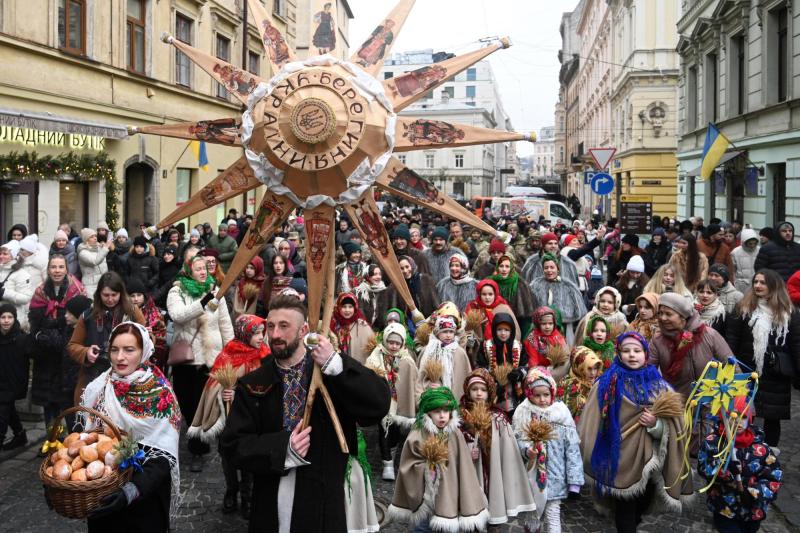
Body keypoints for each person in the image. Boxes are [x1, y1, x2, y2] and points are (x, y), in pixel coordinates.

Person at [220, 295, 390, 533]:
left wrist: (337, 365)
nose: (275, 334)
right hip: (275, 496)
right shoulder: (254, 384)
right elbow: (232, 446)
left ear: (304, 330)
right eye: (270, 326)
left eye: (284, 326)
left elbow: (377, 405)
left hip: (326, 494)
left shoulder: (331, 371)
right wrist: (282, 448)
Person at [578, 332, 692, 532]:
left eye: (637, 351)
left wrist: (655, 424)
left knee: (642, 502)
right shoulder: (607, 384)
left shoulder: (659, 386)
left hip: (648, 461)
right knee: (625, 507)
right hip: (619, 459)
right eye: (626, 351)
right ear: (619, 354)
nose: (632, 355)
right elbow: (593, 420)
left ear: (645, 354)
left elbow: (674, 426)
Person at [81, 322, 180, 533]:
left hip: (144, 501)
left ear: (143, 351)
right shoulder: (101, 386)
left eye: (129, 350)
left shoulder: (160, 393)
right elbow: (87, 439)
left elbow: (162, 456)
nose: (119, 357)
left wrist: (131, 491)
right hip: (104, 496)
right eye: (115, 349)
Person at [189, 314, 270, 518]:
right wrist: (223, 392)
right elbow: (213, 383)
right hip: (229, 418)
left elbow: (268, 384)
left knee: (250, 455)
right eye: (255, 333)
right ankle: (231, 490)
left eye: (262, 332)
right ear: (244, 333)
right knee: (229, 456)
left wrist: (240, 393)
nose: (261, 337)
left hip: (253, 417)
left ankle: (248, 496)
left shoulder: (266, 355)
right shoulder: (229, 354)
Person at [388, 386, 489, 532]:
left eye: (446, 411)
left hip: (449, 494)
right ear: (428, 412)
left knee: (445, 527)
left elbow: (462, 465)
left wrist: (468, 454)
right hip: (426, 498)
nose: (442, 416)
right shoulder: (418, 434)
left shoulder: (455, 434)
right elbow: (408, 464)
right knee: (423, 528)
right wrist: (428, 468)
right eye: (437, 411)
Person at [167, 255, 234, 473]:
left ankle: (199, 449)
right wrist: (203, 302)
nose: (203, 271)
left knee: (203, 406)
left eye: (205, 268)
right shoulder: (177, 292)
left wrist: (232, 353)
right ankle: (197, 437)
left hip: (210, 359)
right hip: (186, 359)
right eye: (197, 268)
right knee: (187, 404)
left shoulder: (217, 293)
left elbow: (225, 325)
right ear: (188, 271)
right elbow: (177, 315)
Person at [725, 269, 800, 447]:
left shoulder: (789, 313)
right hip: (746, 370)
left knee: (772, 418)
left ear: (774, 286)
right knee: (742, 414)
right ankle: (744, 453)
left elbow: (796, 343)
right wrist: (730, 366)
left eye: (763, 282)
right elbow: (732, 339)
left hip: (775, 373)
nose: (758, 285)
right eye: (756, 282)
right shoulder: (743, 308)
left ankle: (770, 456)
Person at [459, 369, 536, 529]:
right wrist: (468, 448)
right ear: (468, 391)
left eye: (483, 390)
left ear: (490, 392)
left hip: (492, 469)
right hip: (470, 469)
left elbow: (508, 450)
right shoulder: (461, 415)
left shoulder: (498, 418)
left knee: (493, 508)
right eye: (474, 389)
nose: (479, 393)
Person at [512, 367, 584, 533]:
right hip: (532, 478)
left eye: (546, 394)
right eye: (537, 395)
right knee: (532, 516)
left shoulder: (561, 415)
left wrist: (574, 483)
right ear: (529, 394)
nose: (542, 399)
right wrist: (527, 451)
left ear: (552, 393)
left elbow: (572, 450)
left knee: (553, 516)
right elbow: (519, 440)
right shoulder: (523, 414)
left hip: (555, 478)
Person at [697, 397, 783, 533]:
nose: (738, 422)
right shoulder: (714, 442)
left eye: (743, 417)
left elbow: (773, 476)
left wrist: (754, 493)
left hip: (753, 510)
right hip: (725, 508)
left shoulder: (761, 448)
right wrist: (722, 470)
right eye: (733, 417)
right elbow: (703, 467)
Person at [67, 271, 146, 404]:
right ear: (99, 294)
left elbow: (147, 342)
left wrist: (146, 336)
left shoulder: (132, 312)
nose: (110, 299)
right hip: (92, 376)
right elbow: (73, 345)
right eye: (106, 295)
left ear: (121, 294)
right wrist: (86, 352)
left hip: (127, 378)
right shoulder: (87, 315)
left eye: (114, 295)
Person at [28, 255, 86, 426]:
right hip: (46, 355)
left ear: (67, 269)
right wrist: (41, 334)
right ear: (48, 269)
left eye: (61, 267)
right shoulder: (40, 291)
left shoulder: (76, 289)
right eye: (53, 267)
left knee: (67, 402)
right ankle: (51, 440)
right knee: (49, 401)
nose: (57, 271)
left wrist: (55, 326)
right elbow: (34, 320)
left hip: (67, 354)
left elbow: (80, 319)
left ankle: (70, 442)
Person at [649, 292, 733, 398]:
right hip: (676, 406)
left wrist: (741, 401)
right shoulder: (658, 340)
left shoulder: (709, 335)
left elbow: (731, 365)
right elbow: (648, 372)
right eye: (660, 313)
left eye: (668, 314)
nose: (662, 318)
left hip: (711, 404)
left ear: (683, 317)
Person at [364, 322, 418, 481]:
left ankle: (392, 457)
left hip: (399, 403)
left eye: (397, 343)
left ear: (402, 343)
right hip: (384, 402)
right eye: (390, 342)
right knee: (383, 430)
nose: (394, 346)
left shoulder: (407, 359)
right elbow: (369, 372)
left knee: (395, 432)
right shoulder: (376, 355)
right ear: (385, 340)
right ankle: (387, 463)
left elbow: (412, 380)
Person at [530, 254, 587, 345]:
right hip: (540, 328)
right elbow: (530, 307)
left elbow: (580, 311)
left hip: (564, 328)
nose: (549, 270)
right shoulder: (535, 285)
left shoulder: (569, 286)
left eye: (552, 267)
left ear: (558, 269)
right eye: (546, 268)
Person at [477, 312, 527, 416]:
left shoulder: (518, 346)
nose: (503, 333)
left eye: (506, 330)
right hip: (494, 393)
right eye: (499, 330)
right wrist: (492, 380)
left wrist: (519, 373)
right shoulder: (486, 346)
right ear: (494, 330)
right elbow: (480, 367)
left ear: (512, 331)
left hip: (515, 394)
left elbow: (526, 366)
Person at [417, 314, 472, 401]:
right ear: (437, 333)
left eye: (451, 332)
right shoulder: (428, 351)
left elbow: (463, 378)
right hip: (433, 396)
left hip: (454, 398)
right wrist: (429, 384)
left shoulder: (459, 352)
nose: (448, 335)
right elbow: (420, 377)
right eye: (444, 332)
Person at [0, 303, 32, 450]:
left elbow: (35, 355)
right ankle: (20, 435)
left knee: (2, 412)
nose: (6, 320)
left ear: (14, 318)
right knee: (8, 408)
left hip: (14, 381)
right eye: (3, 317)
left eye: (10, 317)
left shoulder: (22, 338)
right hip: (2, 380)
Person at [382, 256, 440, 331]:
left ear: (412, 266)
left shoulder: (426, 280)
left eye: (407, 267)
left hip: (427, 320)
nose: (405, 271)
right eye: (401, 268)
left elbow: (435, 303)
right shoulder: (394, 287)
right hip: (406, 323)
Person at [489, 254, 538, 336]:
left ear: (511, 268)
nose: (504, 269)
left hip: (517, 326)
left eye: (507, 266)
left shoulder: (520, 284)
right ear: (497, 267)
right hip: (493, 325)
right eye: (501, 266)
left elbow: (527, 316)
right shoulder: (490, 282)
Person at [127, 278, 168, 371]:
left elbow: (161, 336)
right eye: (132, 296)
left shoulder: (153, 312)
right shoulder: (125, 312)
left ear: (144, 295)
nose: (136, 299)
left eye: (139, 295)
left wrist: (149, 335)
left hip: (151, 356)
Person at [557, 346, 603, 423]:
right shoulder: (568, 385)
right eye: (589, 368)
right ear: (580, 367)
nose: (593, 373)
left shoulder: (598, 381)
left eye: (595, 368)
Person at [523, 306, 570, 379]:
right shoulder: (532, 339)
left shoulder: (558, 336)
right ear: (538, 324)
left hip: (558, 372)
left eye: (550, 323)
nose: (547, 327)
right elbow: (533, 362)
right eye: (544, 324)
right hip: (539, 374)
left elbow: (566, 356)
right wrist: (546, 370)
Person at [330, 293, 374, 365]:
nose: (347, 310)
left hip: (357, 367)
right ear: (339, 307)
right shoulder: (333, 323)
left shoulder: (361, 324)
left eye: (350, 307)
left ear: (355, 307)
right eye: (344, 307)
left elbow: (372, 345)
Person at [0, 240, 33, 331]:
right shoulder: (1, 270)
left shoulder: (21, 274)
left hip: (14, 321)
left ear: (13, 256)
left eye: (5, 254)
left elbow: (26, 298)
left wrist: (4, 293)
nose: (1, 256)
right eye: (0, 253)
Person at [77, 228, 109, 297]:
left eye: (95, 236)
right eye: (91, 237)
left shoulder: (99, 248)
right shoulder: (83, 252)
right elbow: (95, 261)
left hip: (103, 283)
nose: (95, 238)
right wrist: (105, 248)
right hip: (90, 286)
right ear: (86, 239)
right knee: (92, 306)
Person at [616, 256, 649, 322]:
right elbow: (616, 300)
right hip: (622, 317)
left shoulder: (646, 284)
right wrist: (624, 308)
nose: (635, 275)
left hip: (639, 316)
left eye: (637, 273)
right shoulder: (621, 283)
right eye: (632, 272)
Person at [730, 228, 760, 293]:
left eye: (754, 243)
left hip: (757, 282)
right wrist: (733, 282)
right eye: (750, 243)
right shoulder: (735, 252)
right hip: (741, 285)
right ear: (744, 242)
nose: (752, 245)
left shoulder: (760, 250)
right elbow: (732, 270)